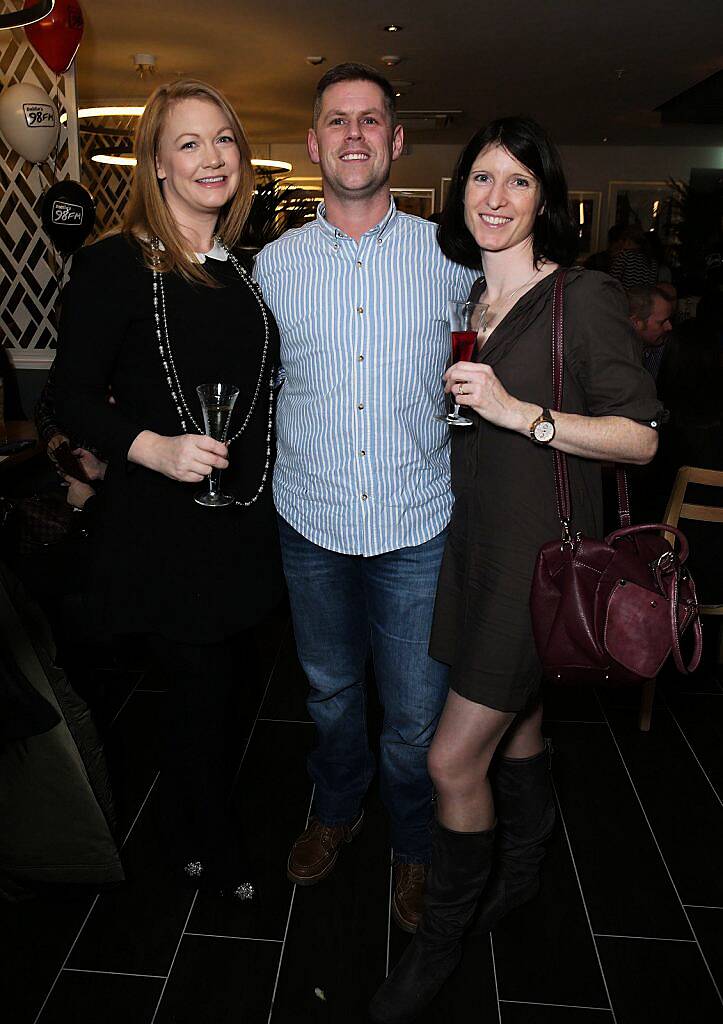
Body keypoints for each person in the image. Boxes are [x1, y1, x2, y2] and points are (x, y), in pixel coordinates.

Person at [370, 116, 661, 1022]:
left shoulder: (585, 294)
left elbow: (641, 437)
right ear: (460, 194)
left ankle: (439, 941)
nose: (495, 199)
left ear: (546, 198)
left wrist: (521, 413)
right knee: (522, 724)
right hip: (474, 549)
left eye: (517, 182)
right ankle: (524, 873)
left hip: (536, 560)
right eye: (480, 180)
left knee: (451, 761)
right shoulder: (469, 304)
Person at [253, 63, 477, 932]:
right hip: (308, 522)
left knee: (416, 718)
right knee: (331, 695)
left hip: (418, 524)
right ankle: (336, 810)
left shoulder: (447, 259)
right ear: (312, 145)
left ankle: (415, 848)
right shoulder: (271, 268)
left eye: (371, 120)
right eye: (337, 121)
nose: (354, 135)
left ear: (397, 140)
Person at [54, 78, 282, 899]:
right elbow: (67, 395)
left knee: (228, 693)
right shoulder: (115, 263)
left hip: (241, 525)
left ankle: (200, 828)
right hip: (165, 527)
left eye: (222, 138)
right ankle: (203, 851)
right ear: (155, 164)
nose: (211, 157)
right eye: (188, 143)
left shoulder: (241, 270)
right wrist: (149, 446)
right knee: (199, 695)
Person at [628, 284, 675, 380]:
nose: (669, 327)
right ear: (636, 323)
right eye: (661, 322)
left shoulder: (668, 348)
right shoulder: (618, 358)